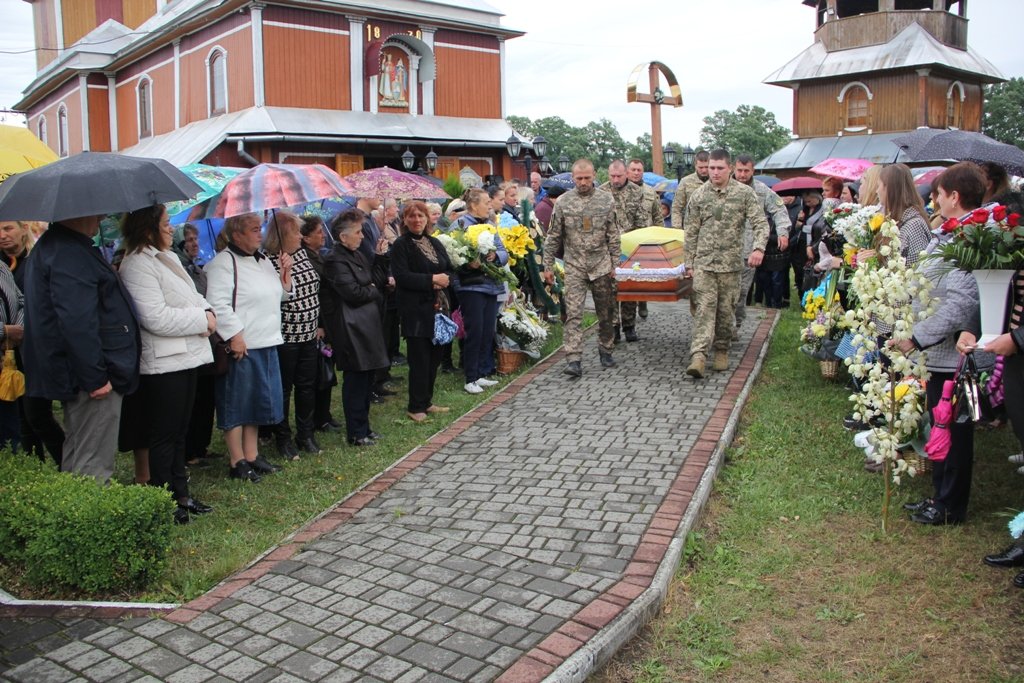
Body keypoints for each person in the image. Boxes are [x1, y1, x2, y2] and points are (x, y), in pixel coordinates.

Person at [899, 163, 990, 526]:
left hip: (953, 353)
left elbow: (961, 304)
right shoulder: (950, 233)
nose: (934, 200)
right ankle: (939, 495)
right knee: (940, 425)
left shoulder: (970, 238)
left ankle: (950, 505)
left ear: (954, 196)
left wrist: (918, 336)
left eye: (937, 194)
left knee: (953, 429)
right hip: (938, 354)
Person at [23, 213, 140, 484]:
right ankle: (91, 510)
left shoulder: (59, 246)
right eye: (96, 212)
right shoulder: (68, 252)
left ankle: (74, 504)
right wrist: (95, 377)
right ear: (76, 213)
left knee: (79, 452)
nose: (101, 217)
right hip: (91, 376)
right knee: (93, 464)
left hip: (80, 371)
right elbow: (77, 321)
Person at [117, 205, 215, 525]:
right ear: (148, 229)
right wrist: (201, 319)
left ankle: (181, 494)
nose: (172, 228)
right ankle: (164, 500)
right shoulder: (137, 264)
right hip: (162, 362)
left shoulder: (167, 257)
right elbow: (154, 317)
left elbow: (192, 295)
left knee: (179, 432)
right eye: (166, 223)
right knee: (163, 434)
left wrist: (208, 311)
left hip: (186, 355)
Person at [205, 213, 293, 483]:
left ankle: (252, 454)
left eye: (260, 228)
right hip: (243, 344)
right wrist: (235, 335)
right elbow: (217, 303)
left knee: (256, 401)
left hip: (267, 339)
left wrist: (286, 274)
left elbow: (279, 295)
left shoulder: (263, 260)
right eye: (254, 229)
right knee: (236, 402)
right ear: (237, 234)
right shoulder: (223, 263)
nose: (260, 233)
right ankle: (237, 460)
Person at [683, 149, 769, 379]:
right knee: (704, 309)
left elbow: (760, 223)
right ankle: (699, 355)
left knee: (725, 310)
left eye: (720, 168)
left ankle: (721, 349)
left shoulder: (744, 194)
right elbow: (690, 231)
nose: (715, 172)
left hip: (731, 265)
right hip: (704, 264)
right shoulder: (699, 195)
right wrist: (689, 263)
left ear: (729, 168)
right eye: (711, 168)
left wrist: (758, 248)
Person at [542, 159, 624, 377]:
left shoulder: (606, 200)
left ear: (594, 175)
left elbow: (613, 234)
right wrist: (547, 265)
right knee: (573, 313)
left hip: (601, 265)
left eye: (587, 178)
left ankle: (606, 349)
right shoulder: (563, 202)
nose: (583, 182)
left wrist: (616, 264)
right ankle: (573, 358)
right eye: (579, 178)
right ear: (573, 178)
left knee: (606, 312)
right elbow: (553, 236)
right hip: (574, 265)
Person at [321, 210, 389, 446]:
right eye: (358, 232)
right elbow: (353, 292)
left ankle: (364, 427)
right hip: (349, 327)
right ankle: (356, 432)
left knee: (367, 377)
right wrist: (371, 290)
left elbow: (374, 281)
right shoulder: (334, 260)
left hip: (366, 323)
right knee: (356, 380)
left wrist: (380, 258)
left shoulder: (357, 254)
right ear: (343, 236)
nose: (362, 236)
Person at [0, 220, 62, 465]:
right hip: (9, 356)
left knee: (36, 415)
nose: (2, 235)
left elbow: (27, 302)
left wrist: (19, 329)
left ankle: (66, 465)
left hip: (33, 351)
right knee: (21, 419)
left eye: (8, 229)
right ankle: (33, 466)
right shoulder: (4, 264)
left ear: (24, 228)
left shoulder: (35, 261)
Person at [264, 211, 322, 458]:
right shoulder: (268, 260)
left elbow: (315, 289)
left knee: (307, 385)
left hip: (309, 332)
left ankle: (305, 434)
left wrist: (318, 324)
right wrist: (283, 274)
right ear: (283, 235)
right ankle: (283, 436)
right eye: (296, 232)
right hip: (286, 335)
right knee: (284, 388)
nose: (300, 236)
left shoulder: (301, 254)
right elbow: (274, 298)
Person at [390, 201, 454, 422]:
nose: (416, 220)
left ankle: (426, 401)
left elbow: (449, 269)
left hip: (438, 308)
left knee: (435, 356)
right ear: (404, 220)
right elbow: (402, 276)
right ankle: (415, 406)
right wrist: (431, 280)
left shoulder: (434, 242)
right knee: (420, 358)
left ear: (427, 219)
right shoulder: (401, 245)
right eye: (412, 216)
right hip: (415, 310)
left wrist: (445, 279)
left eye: (420, 216)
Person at [454, 188, 509, 395]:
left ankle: (480, 373)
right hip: (471, 285)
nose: (489, 206)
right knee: (475, 331)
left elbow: (503, 251)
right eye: (486, 202)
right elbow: (453, 253)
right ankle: (470, 377)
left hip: (491, 285)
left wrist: (496, 256)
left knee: (487, 331)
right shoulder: (460, 224)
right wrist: (469, 261)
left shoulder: (489, 225)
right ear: (473, 205)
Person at [733, 155, 791, 312]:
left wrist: (783, 232)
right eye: (739, 170)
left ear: (753, 170)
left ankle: (736, 322)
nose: (742, 175)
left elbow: (779, 209)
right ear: (733, 169)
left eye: (746, 171)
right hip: (724, 251)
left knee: (741, 293)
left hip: (749, 250)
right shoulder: (724, 187)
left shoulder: (761, 190)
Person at [301, 216, 340, 434]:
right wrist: (318, 324)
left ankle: (325, 414)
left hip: (329, 318)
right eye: (318, 232)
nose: (323, 235)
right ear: (306, 238)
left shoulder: (320, 256)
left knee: (327, 368)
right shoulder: (306, 260)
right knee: (319, 372)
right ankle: (318, 417)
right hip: (318, 321)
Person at [601, 160, 646, 343]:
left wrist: (640, 244)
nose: (616, 180)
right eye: (612, 176)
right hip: (607, 248)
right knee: (610, 290)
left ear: (626, 174)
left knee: (629, 287)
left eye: (619, 176)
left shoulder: (636, 192)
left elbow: (641, 220)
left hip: (630, 246)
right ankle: (613, 327)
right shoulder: (601, 192)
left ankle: (629, 325)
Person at [0, 262, 23, 451]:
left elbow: (21, 301)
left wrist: (18, 331)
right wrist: (4, 330)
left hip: (6, 356)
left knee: (9, 433)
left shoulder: (2, 267)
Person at [670, 150, 710, 229]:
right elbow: (677, 207)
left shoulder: (716, 181)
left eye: (706, 167)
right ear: (695, 166)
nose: (704, 170)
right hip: (691, 228)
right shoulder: (686, 182)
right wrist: (677, 227)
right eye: (701, 167)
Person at [626, 158, 664, 228]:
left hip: (646, 232)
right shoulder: (620, 190)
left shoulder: (650, 191)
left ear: (643, 172)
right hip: (626, 232)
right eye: (633, 170)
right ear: (627, 171)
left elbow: (658, 217)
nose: (636, 173)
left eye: (639, 170)